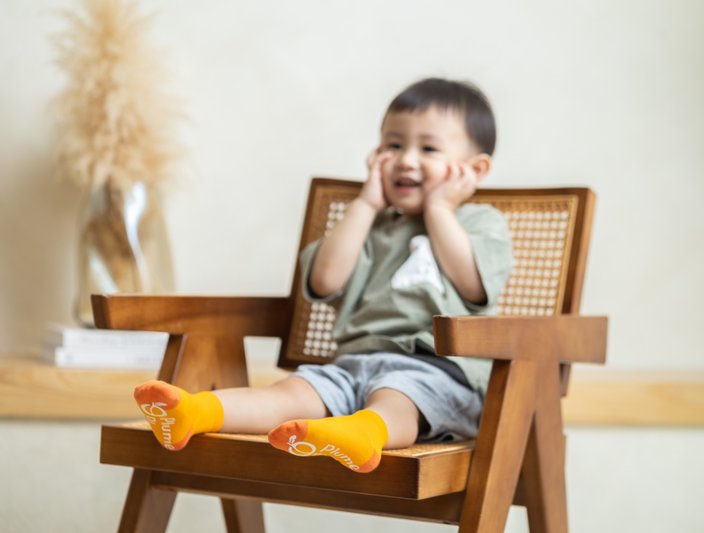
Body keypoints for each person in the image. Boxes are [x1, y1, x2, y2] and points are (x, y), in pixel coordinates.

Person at [134, 77, 513, 473]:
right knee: (291, 392)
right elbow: (325, 280)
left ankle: (364, 433)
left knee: (397, 396)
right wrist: (367, 203)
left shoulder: (480, 223)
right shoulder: (370, 225)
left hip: (437, 371)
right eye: (393, 145)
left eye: (429, 148)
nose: (406, 160)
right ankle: (194, 410)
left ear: (475, 169)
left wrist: (439, 208)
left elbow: (472, 284)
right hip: (353, 363)